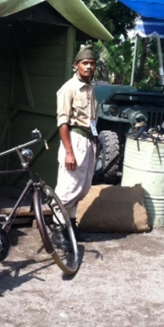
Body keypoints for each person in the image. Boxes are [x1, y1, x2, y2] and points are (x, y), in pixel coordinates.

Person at [52, 45, 98, 251]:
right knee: (68, 188)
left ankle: (71, 226)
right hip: (74, 140)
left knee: (82, 187)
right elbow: (63, 123)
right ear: (76, 65)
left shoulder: (90, 89)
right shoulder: (68, 89)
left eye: (92, 63)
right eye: (84, 63)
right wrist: (69, 152)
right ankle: (57, 229)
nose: (89, 67)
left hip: (88, 141)